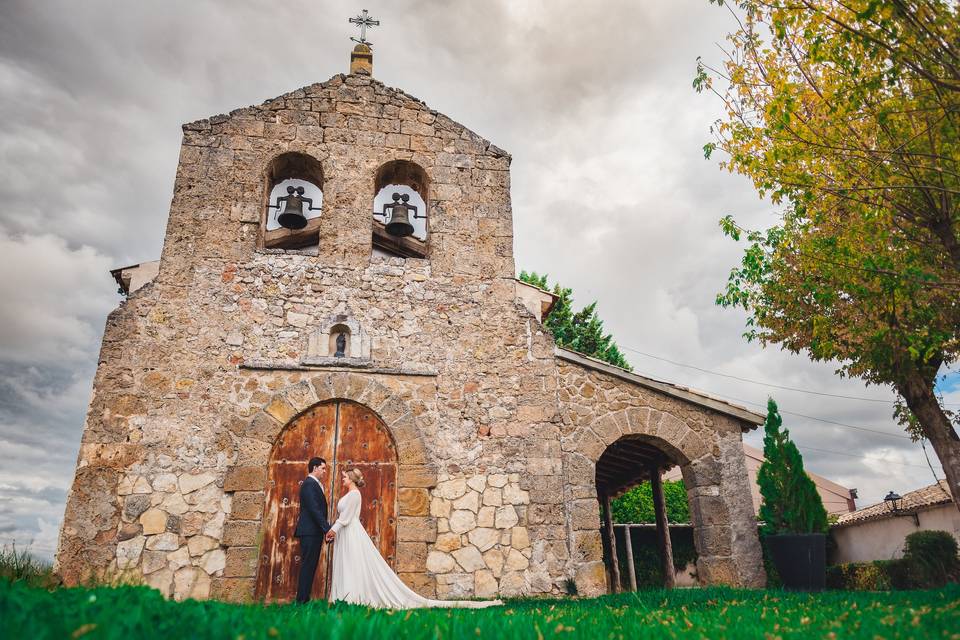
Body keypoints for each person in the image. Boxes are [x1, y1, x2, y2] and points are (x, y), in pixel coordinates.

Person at [325, 467, 503, 609]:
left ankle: (352, 596)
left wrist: (332, 530)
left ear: (351, 479)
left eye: (345, 477)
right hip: (347, 532)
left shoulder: (355, 494)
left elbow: (346, 517)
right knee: (348, 563)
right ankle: (344, 597)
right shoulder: (351, 494)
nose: (343, 479)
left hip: (351, 531)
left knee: (352, 563)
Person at [293, 456, 331, 603]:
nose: (324, 471)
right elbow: (314, 509)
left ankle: (304, 599)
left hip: (313, 532)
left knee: (310, 566)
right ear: (314, 468)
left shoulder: (315, 484)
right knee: (308, 566)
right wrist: (327, 529)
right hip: (309, 532)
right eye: (323, 468)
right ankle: (301, 601)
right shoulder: (309, 484)